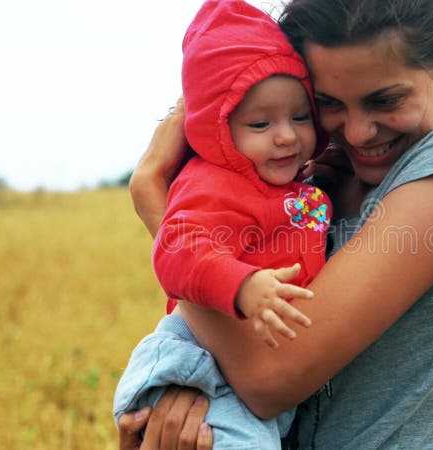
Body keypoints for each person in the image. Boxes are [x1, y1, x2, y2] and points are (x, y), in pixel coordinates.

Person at [119, 0, 433, 448]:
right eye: (328, 104)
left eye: (385, 100)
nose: (356, 132)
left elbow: (269, 377)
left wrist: (161, 209)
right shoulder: (315, 182)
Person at [112, 0, 332, 448]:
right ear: (217, 129)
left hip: (246, 363)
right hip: (201, 367)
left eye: (300, 116)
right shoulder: (212, 182)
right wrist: (243, 286)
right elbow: (177, 247)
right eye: (259, 122)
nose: (286, 135)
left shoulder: (295, 186)